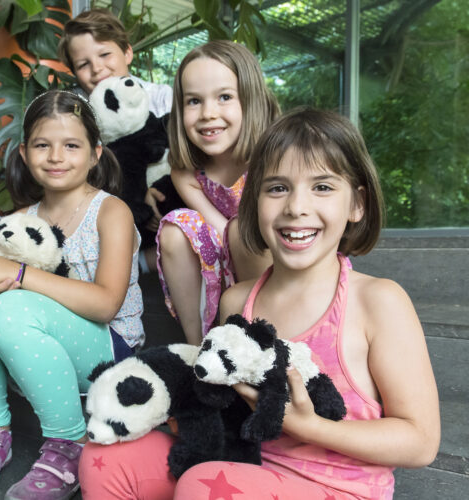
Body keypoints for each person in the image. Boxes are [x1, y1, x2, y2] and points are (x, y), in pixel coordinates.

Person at [78, 108, 441, 500]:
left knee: (203, 487)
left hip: (337, 489)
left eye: (322, 187)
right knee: (109, 454)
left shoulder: (377, 302)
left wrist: (309, 427)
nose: (296, 207)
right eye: (277, 188)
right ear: (253, 202)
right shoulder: (239, 300)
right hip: (242, 469)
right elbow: (223, 405)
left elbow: (420, 442)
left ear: (357, 204)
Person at [0, 90, 143, 500]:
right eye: (42, 145)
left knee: (15, 304)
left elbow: (106, 304)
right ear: (24, 152)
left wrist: (17, 273)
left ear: (95, 153)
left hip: (112, 352)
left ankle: (70, 444)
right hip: (39, 341)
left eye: (71, 145)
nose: (56, 156)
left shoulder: (110, 211)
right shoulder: (18, 221)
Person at [156, 40, 280, 346]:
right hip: (223, 268)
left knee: (243, 231)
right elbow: (218, 229)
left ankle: (266, 346)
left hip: (277, 270)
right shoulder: (187, 173)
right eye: (194, 101)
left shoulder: (274, 160)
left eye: (224, 97)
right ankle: (198, 350)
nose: (208, 113)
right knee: (175, 228)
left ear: (250, 101)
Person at [58, 7, 179, 272]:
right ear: (73, 72)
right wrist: (134, 198)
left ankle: (148, 259)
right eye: (83, 64)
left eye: (104, 54)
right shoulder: (77, 113)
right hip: (116, 204)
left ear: (127, 52)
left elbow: (187, 154)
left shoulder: (162, 97)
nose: (97, 68)